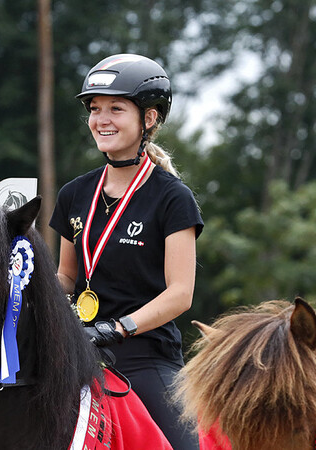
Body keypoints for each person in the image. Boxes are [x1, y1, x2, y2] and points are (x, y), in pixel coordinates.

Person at [50, 53, 203, 449]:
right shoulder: (74, 194)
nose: (102, 119)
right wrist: (20, 286)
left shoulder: (173, 198)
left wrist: (117, 328)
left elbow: (180, 293)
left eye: (116, 108)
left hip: (144, 357)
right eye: (95, 109)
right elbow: (67, 277)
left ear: (149, 119)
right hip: (74, 352)